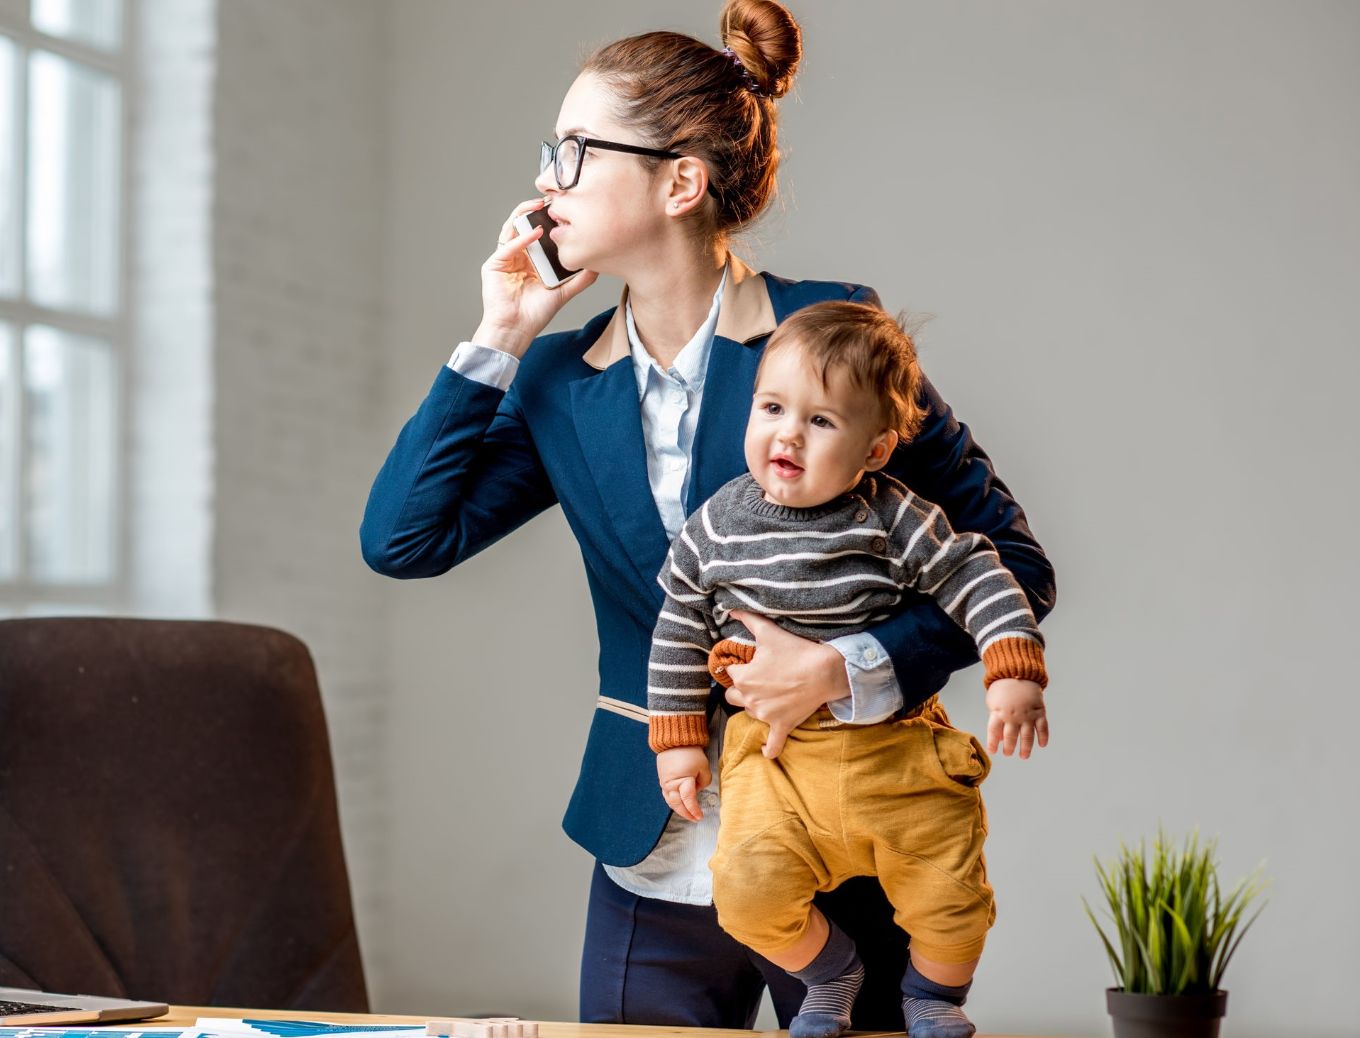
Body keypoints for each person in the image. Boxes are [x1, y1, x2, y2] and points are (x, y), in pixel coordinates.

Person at [360, 0, 1055, 1028]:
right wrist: (498, 332)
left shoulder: (830, 334)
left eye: (573, 152)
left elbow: (1011, 564)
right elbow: (402, 542)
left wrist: (847, 666)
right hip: (656, 843)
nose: (545, 181)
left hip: (847, 835)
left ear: (679, 181)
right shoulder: (556, 380)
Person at [648, 301, 1050, 1038]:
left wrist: (1012, 665)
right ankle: (830, 972)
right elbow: (677, 623)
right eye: (772, 407)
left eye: (822, 421)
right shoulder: (717, 525)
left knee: (954, 896)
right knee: (746, 892)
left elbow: (981, 573)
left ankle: (932, 997)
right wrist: (675, 739)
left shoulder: (895, 517)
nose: (788, 434)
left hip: (897, 751)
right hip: (776, 762)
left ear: (875, 451)